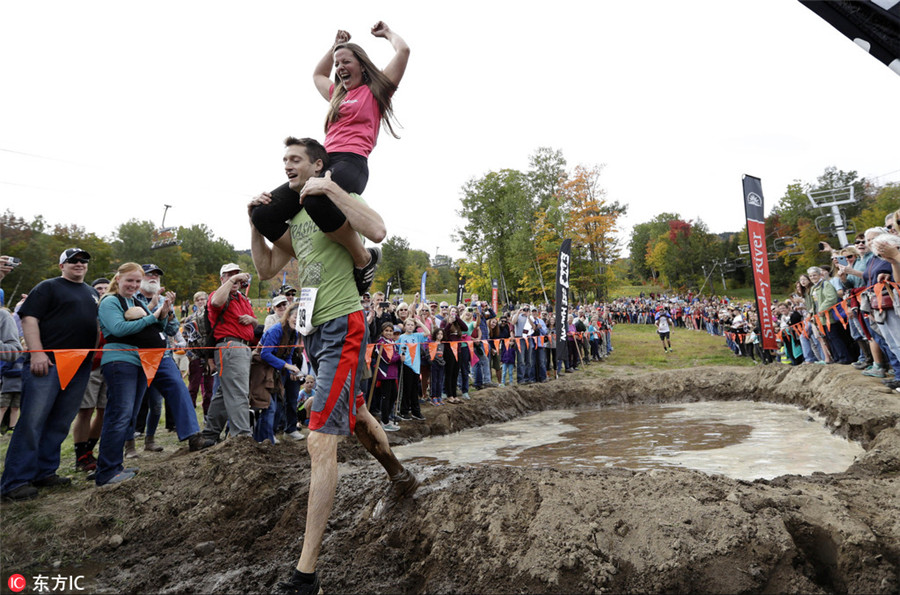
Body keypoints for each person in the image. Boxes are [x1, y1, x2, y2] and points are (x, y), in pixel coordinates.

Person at [248, 136, 418, 594]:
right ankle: (400, 475)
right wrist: (252, 222)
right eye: (283, 160)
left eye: (295, 159)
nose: (287, 166)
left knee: (320, 438)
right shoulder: (296, 219)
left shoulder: (332, 201)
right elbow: (265, 270)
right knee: (357, 414)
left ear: (317, 164)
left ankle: (307, 575)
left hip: (343, 324)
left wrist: (334, 190)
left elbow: (378, 227)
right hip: (313, 334)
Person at [249, 22, 410, 297]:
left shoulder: (376, 90)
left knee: (315, 197)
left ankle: (363, 260)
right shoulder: (338, 94)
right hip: (324, 162)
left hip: (352, 162)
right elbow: (317, 74)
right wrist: (333, 46)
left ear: (361, 65)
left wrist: (387, 34)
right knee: (262, 213)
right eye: (337, 63)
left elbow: (404, 50)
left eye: (345, 61)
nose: (339, 67)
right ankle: (310, 254)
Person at [1, 249, 99, 501]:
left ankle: (44, 471)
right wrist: (37, 353)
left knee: (60, 421)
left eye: (83, 261)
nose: (79, 264)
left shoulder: (91, 292)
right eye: (73, 261)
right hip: (48, 364)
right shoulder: (48, 287)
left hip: (80, 366)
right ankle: (15, 481)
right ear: (61, 265)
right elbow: (29, 318)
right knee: (32, 421)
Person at [199, 263, 257, 442]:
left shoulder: (242, 299)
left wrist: (253, 320)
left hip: (242, 347)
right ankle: (242, 437)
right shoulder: (217, 295)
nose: (235, 278)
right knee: (239, 393)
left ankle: (210, 434)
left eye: (237, 274)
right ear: (222, 278)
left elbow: (253, 325)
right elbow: (216, 302)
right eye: (229, 275)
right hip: (231, 346)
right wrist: (232, 280)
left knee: (225, 392)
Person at [72, 277, 110, 472]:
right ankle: (81, 455)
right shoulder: (87, 310)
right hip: (91, 364)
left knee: (104, 410)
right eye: (98, 288)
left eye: (106, 287)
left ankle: (90, 451)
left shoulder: (114, 307)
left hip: (110, 364)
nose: (102, 290)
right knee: (86, 409)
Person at [253, 302, 303, 443]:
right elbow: (265, 354)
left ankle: (267, 437)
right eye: (295, 316)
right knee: (268, 405)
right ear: (288, 317)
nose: (297, 319)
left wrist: (290, 369)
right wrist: (286, 365)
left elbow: (288, 354)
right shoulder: (276, 330)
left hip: (276, 370)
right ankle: (264, 438)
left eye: (300, 317)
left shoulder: (295, 333)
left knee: (278, 405)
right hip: (261, 369)